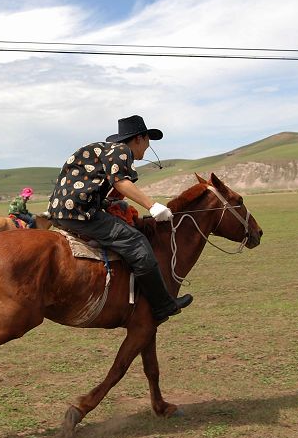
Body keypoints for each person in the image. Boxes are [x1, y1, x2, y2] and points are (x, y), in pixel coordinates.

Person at [48, 115, 192, 323]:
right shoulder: (121, 150)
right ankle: (163, 305)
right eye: (147, 142)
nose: (147, 147)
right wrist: (153, 206)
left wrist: (110, 204)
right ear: (139, 139)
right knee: (137, 243)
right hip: (79, 212)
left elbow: (94, 184)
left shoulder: (106, 151)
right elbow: (120, 182)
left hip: (61, 211)